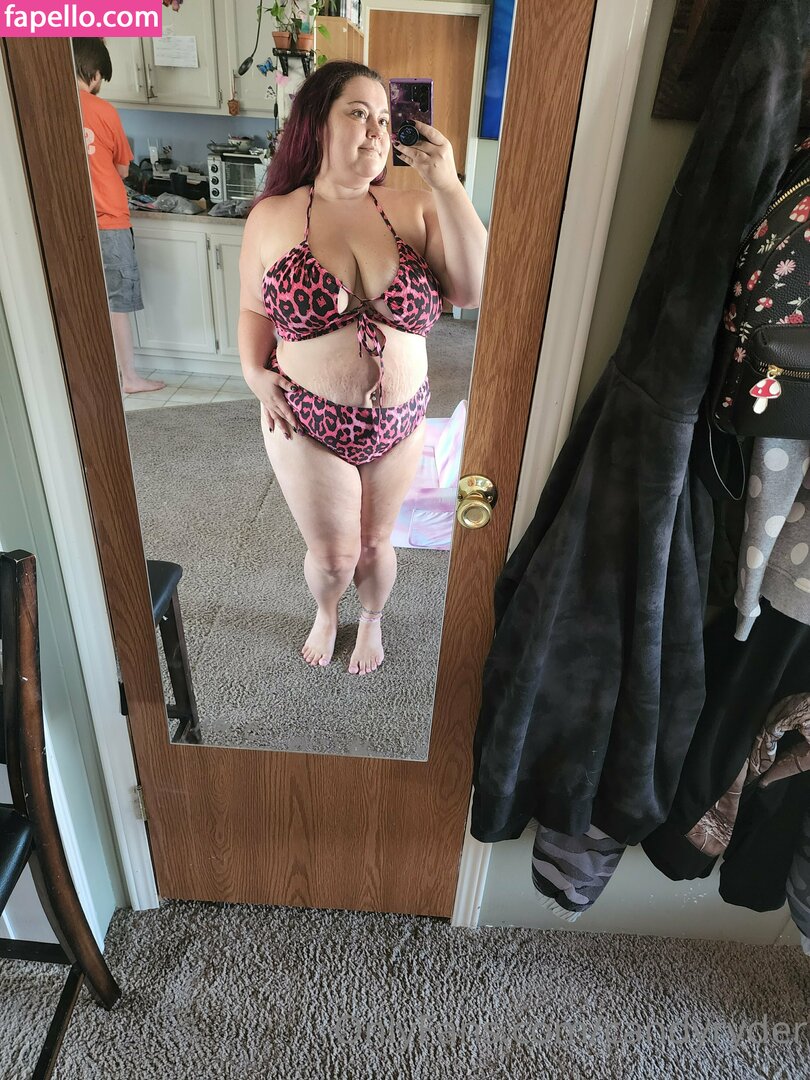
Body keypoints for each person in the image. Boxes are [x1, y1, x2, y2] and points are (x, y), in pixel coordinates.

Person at [239, 61, 486, 675]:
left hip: (400, 421)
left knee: (376, 547)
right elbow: (252, 307)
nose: (376, 129)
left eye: (383, 117)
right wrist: (251, 372)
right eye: (357, 113)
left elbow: (472, 289)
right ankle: (327, 612)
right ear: (316, 123)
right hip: (305, 420)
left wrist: (448, 184)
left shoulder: (416, 208)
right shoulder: (273, 215)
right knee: (332, 558)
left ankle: (371, 619)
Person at [73, 38, 164, 395]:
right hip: (109, 219)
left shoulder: (52, 108)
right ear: (94, 73)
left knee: (83, 303)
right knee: (116, 304)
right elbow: (124, 170)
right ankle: (129, 377)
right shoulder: (103, 111)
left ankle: (94, 378)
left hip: (73, 223)